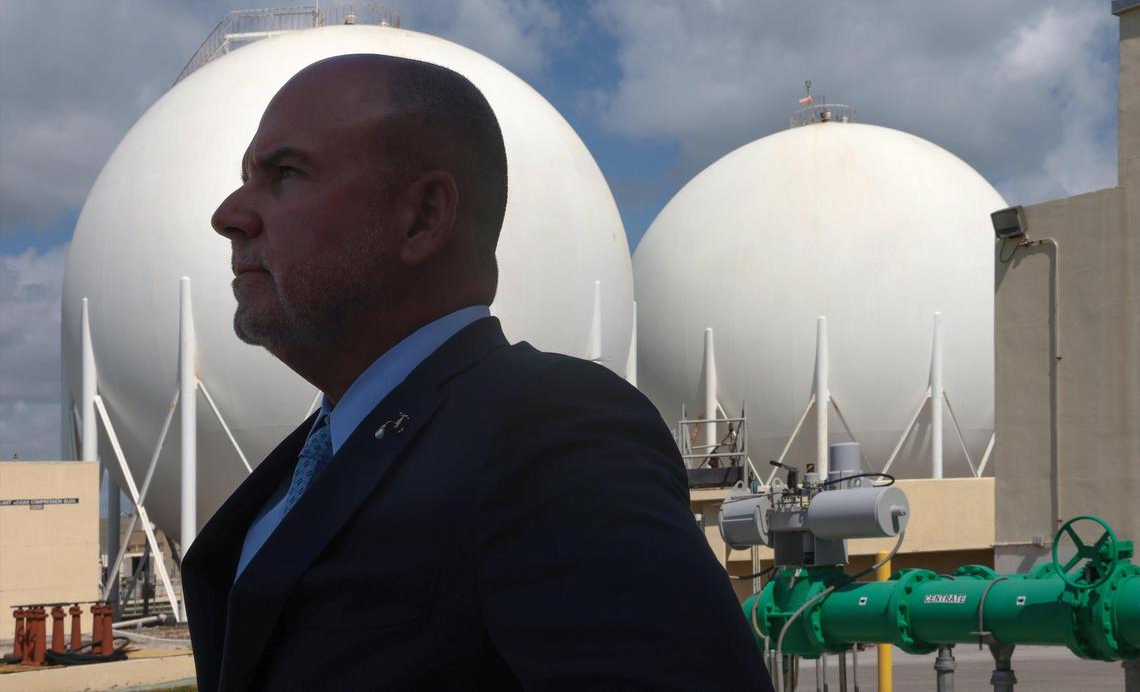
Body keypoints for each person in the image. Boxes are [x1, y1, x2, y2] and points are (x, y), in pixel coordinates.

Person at [182, 53, 773, 692]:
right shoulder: (321, 457)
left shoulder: (551, 434)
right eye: (246, 177)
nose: (229, 214)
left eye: (286, 174)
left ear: (423, 217)